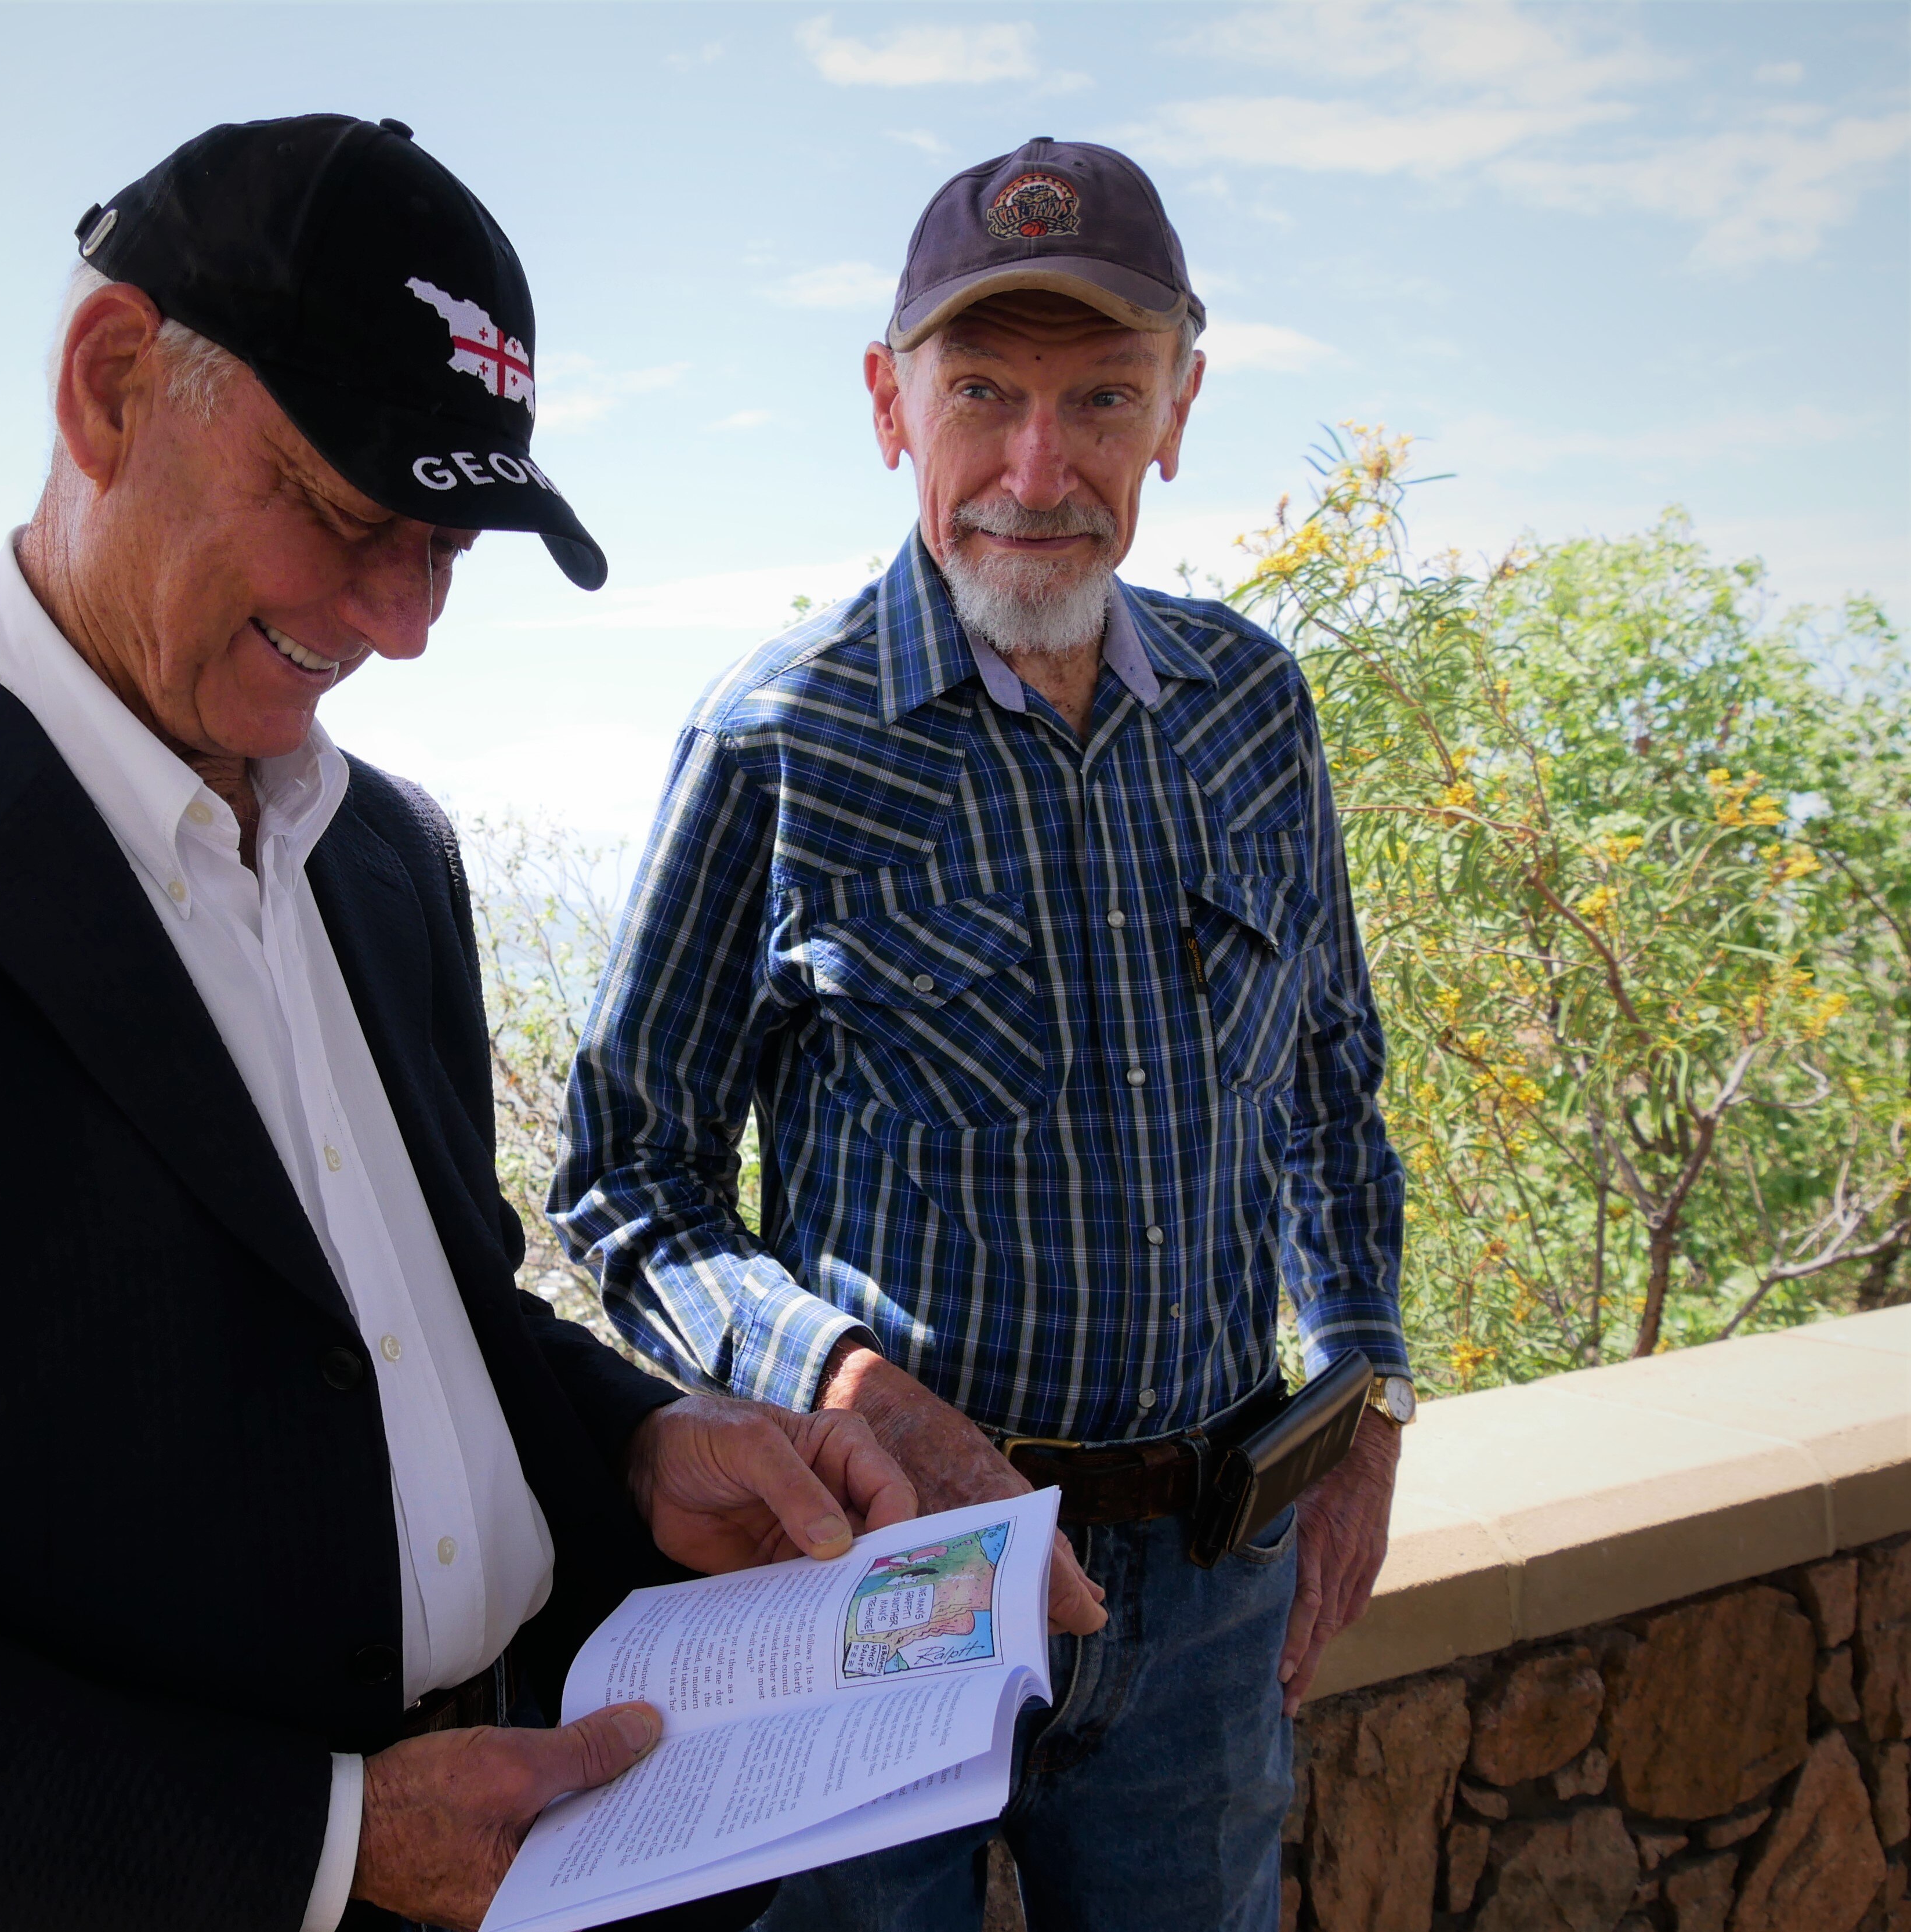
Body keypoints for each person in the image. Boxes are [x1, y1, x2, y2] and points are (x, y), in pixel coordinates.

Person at [0, 115, 917, 1932]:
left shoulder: (385, 858)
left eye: (447, 544)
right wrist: (327, 1841)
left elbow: (419, 1324)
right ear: (109, 387)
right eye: (345, 511)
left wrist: (637, 1440)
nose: (402, 621)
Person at [551, 138, 1416, 1931]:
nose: (1039, 468)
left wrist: (1369, 1401)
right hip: (880, 1577)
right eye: (980, 396)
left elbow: (1330, 1090)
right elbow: (627, 1174)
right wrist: (851, 1390)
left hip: (1211, 1586)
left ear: (1177, 408)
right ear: (889, 406)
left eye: (1099, 395)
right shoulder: (780, 739)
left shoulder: (1251, 708)